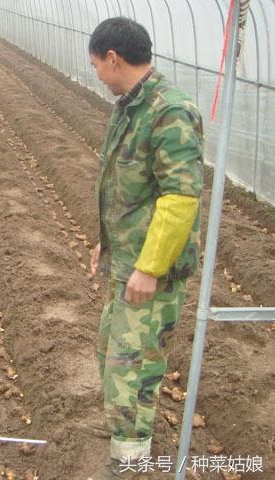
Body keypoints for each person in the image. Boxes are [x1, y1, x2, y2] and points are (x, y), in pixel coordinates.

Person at [86, 17, 204, 480]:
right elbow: (130, 187)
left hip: (151, 272)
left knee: (129, 370)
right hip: (127, 259)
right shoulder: (131, 105)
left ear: (113, 58)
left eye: (96, 65)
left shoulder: (169, 111)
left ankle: (131, 463)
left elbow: (179, 200)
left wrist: (149, 268)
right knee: (109, 352)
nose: (96, 73)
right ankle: (127, 439)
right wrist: (108, 242)